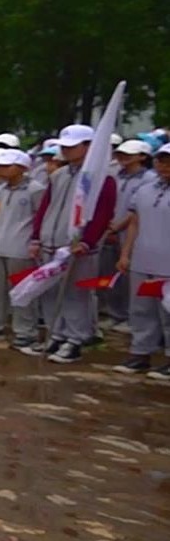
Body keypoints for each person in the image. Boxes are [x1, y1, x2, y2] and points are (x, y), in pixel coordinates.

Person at [30, 124, 118, 364]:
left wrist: (88, 241)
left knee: (76, 293)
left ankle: (76, 338)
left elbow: (103, 212)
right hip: (50, 242)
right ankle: (55, 332)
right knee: (49, 291)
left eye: (73, 147)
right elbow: (45, 208)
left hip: (77, 246)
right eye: (64, 147)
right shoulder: (59, 174)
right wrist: (36, 236)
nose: (67, 151)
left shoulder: (102, 178)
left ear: (89, 147)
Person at [114, 142, 170, 379]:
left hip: (167, 264)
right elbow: (135, 221)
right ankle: (140, 353)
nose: (164, 165)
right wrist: (126, 253)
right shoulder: (146, 189)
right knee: (141, 310)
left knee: (167, 312)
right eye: (161, 160)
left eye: (168, 161)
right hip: (143, 259)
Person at [0, 149, 39, 346]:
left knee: (22, 291)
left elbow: (39, 216)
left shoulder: (35, 189)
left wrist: (35, 241)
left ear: (22, 168)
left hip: (21, 248)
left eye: (6, 166)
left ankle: (25, 331)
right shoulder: (4, 189)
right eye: (0, 166)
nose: (1, 169)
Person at [103, 139, 153, 330]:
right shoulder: (116, 175)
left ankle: (132, 318)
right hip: (110, 230)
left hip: (130, 233)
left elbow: (135, 210)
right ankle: (116, 314)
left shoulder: (148, 178)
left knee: (129, 277)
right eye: (121, 153)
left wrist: (117, 226)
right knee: (111, 274)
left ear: (141, 157)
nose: (123, 157)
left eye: (129, 154)